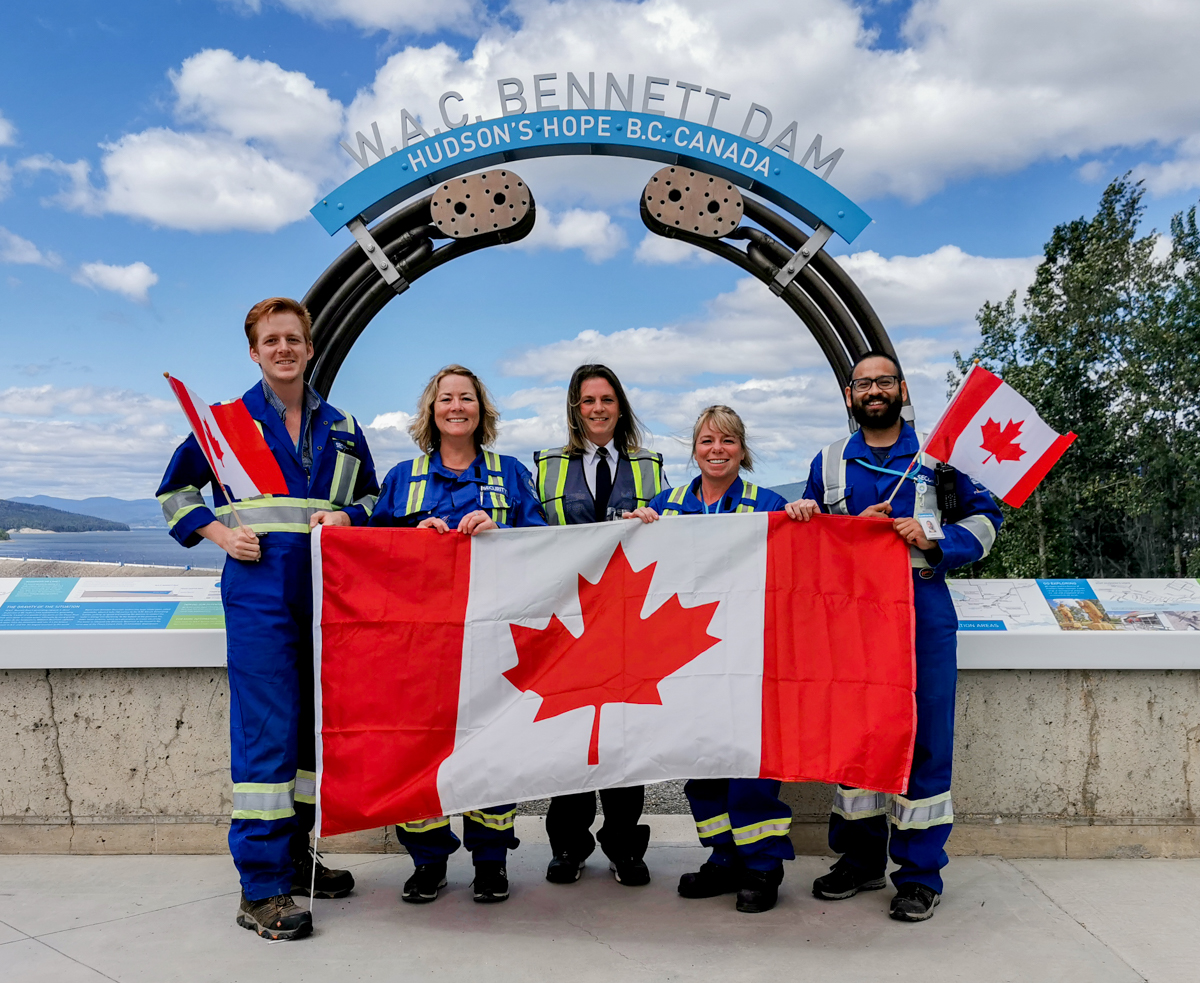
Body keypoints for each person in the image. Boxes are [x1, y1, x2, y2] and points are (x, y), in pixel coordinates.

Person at [157, 297, 380, 941]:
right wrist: (221, 536)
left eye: (294, 338)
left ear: (310, 348)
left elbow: (370, 497)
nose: (284, 348)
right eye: (271, 340)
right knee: (267, 734)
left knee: (313, 732)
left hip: (326, 597)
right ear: (254, 352)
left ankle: (294, 855)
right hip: (259, 595)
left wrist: (349, 517)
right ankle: (260, 889)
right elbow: (175, 492)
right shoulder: (223, 423)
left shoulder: (341, 426)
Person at [799, 350, 1002, 922]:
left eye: (884, 381)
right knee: (857, 735)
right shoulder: (829, 460)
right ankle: (859, 862)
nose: (874, 390)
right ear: (849, 396)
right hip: (853, 619)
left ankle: (918, 876)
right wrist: (808, 515)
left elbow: (986, 522)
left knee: (925, 737)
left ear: (901, 388)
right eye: (863, 383)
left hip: (921, 606)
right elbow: (818, 540)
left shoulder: (940, 456)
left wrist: (932, 533)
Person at [626, 404, 819, 914]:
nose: (717, 449)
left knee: (752, 764)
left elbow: (803, 570)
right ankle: (723, 857)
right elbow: (637, 568)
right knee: (703, 761)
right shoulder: (665, 505)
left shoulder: (770, 503)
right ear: (694, 449)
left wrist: (801, 520)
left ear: (742, 450)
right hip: (688, 659)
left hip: (752, 657)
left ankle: (762, 867)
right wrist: (637, 526)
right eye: (707, 440)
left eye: (728, 441)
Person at [370, 364, 546, 905]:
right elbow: (373, 554)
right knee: (419, 753)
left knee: (492, 751)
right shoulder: (402, 478)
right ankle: (428, 862)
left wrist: (503, 532)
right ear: (431, 410)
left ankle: (490, 863)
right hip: (419, 647)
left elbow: (544, 545)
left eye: (466, 398)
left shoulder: (511, 473)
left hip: (493, 643)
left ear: (481, 409)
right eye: (446, 398)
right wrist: (410, 534)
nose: (456, 407)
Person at [532, 364, 666, 888]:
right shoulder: (543, 466)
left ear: (620, 406)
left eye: (607, 399)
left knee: (623, 742)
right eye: (587, 401)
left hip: (629, 624)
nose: (597, 409)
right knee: (571, 737)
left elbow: (678, 528)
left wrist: (661, 522)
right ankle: (569, 845)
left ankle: (624, 846)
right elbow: (527, 532)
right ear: (574, 408)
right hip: (568, 623)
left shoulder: (651, 466)